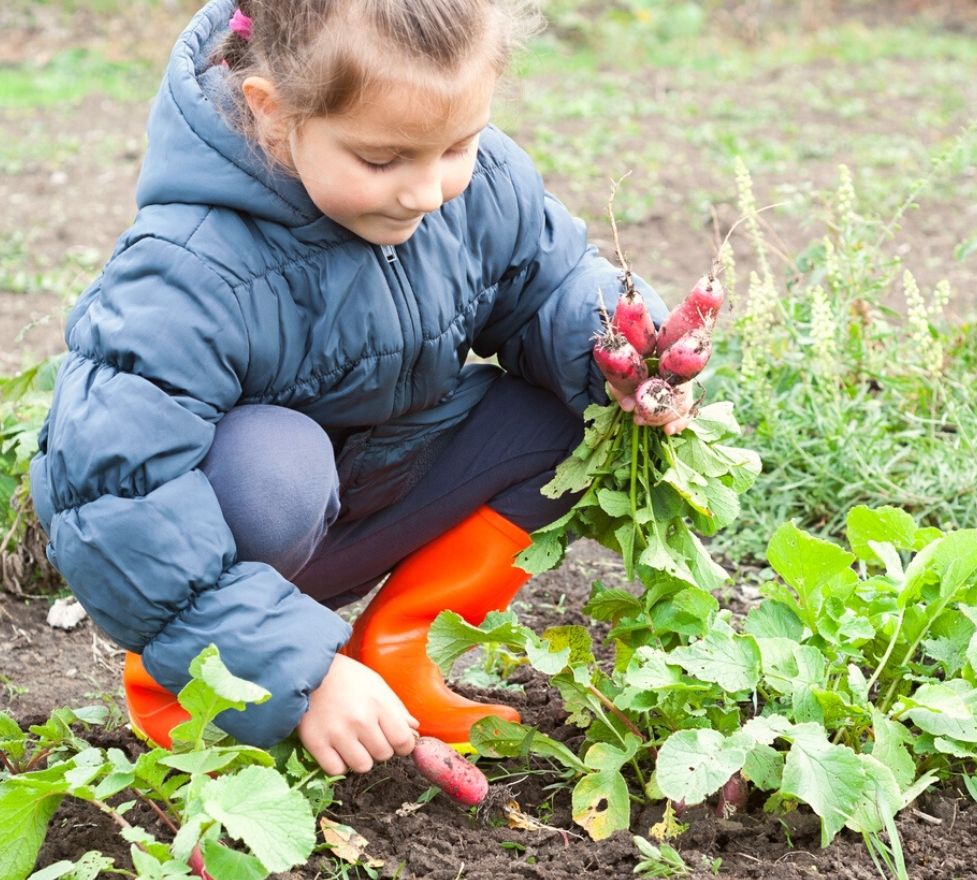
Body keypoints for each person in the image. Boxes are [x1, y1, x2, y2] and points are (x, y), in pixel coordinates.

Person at [29, 0, 688, 777]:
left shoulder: (473, 187)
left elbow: (548, 287)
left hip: (382, 483)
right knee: (273, 466)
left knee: (570, 415)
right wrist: (297, 670)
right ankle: (205, 688)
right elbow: (116, 500)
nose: (427, 191)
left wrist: (621, 359)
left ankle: (398, 650)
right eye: (383, 161)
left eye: (458, 145)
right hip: (244, 537)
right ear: (273, 115)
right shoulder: (188, 270)